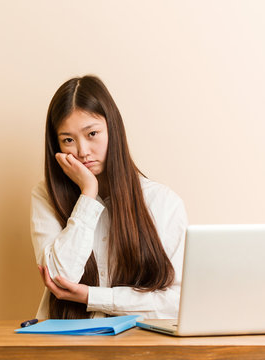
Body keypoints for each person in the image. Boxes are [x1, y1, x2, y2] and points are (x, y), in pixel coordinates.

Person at [30, 75, 188, 320]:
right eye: (68, 140)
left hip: (137, 349)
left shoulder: (162, 202)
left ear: (113, 129)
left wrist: (92, 297)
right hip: (64, 348)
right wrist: (88, 193)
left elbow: (176, 302)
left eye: (92, 133)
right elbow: (60, 277)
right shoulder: (46, 195)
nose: (82, 152)